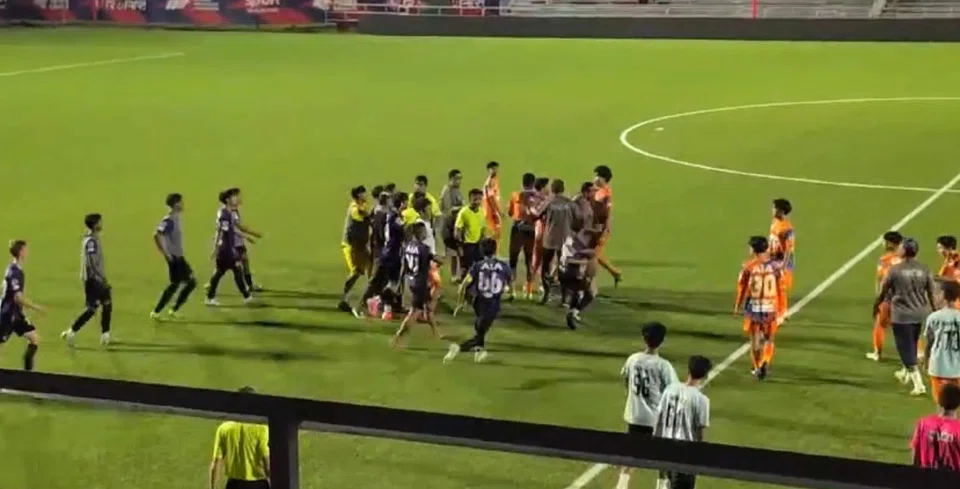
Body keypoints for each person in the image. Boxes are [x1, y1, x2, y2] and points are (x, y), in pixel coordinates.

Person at [616, 322, 679, 489]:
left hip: (635, 415)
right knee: (663, 458)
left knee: (630, 457)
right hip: (656, 419)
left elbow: (626, 381)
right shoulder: (664, 366)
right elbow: (673, 393)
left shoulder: (633, 359)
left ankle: (621, 486)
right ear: (662, 340)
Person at [874, 237, 936, 396]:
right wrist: (935, 311)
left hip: (901, 314)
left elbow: (883, 290)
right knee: (913, 342)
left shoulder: (895, 270)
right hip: (919, 312)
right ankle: (905, 372)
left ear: (904, 251)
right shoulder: (924, 269)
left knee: (904, 348)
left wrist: (877, 305)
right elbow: (931, 292)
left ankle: (918, 384)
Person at [445, 238, 510, 364]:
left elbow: (463, 285)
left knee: (480, 329)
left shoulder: (477, 266)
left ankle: (479, 352)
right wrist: (509, 291)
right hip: (493, 305)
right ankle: (458, 348)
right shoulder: (503, 266)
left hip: (478, 302)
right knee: (480, 332)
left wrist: (460, 303)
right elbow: (508, 282)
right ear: (495, 250)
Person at [654, 355, 712, 489]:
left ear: (688, 371)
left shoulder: (670, 389)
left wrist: (656, 443)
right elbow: (700, 432)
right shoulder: (701, 400)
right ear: (706, 375)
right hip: (685, 455)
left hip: (666, 449)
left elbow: (659, 419)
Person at [735, 236, 786, 381]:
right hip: (771, 307)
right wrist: (782, 309)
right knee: (769, 339)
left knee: (755, 341)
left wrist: (738, 305)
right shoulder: (776, 267)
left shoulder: (748, 267)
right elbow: (781, 288)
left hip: (754, 308)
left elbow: (742, 287)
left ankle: (757, 367)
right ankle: (766, 361)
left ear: (754, 249)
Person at [63, 213, 113, 347]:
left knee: (106, 303)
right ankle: (71, 332)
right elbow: (91, 262)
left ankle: (105, 334)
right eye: (100, 222)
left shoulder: (93, 238)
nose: (102, 224)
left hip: (96, 279)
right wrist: (100, 278)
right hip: (93, 280)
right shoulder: (91, 241)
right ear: (95, 224)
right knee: (92, 308)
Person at [391, 222, 442, 346]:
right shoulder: (424, 248)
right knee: (415, 312)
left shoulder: (407, 246)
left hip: (411, 280)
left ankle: (436, 333)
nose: (425, 234)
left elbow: (404, 265)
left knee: (428, 308)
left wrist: (400, 283)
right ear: (418, 233)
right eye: (424, 232)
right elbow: (436, 260)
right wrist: (440, 261)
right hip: (421, 283)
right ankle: (398, 336)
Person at [210, 387, 271, 489]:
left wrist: (212, 487)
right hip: (258, 485)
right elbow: (267, 465)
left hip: (234, 485)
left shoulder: (224, 428)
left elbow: (215, 464)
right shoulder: (262, 429)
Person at [151, 193, 197, 320]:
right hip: (175, 259)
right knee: (189, 282)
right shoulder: (169, 220)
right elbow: (157, 234)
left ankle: (164, 310)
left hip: (178, 257)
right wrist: (166, 254)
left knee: (178, 284)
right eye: (181, 202)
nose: (183, 204)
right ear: (176, 204)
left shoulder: (176, 218)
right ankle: (164, 310)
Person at [362, 192, 408, 320]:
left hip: (388, 252)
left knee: (390, 283)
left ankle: (387, 311)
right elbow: (404, 231)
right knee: (394, 284)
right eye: (405, 202)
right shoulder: (395, 217)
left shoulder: (391, 215)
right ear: (402, 203)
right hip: (392, 254)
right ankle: (375, 300)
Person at [0, 240, 43, 371]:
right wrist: (36, 308)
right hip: (6, 315)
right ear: (20, 252)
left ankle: (27, 374)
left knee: (34, 338)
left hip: (16, 314)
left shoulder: (16, 269)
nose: (27, 251)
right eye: (25, 249)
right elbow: (17, 298)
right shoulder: (14, 272)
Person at [206, 189, 254, 306]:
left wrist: (246, 237)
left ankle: (210, 296)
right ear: (227, 200)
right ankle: (247, 296)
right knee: (235, 270)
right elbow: (222, 232)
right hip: (226, 249)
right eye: (234, 197)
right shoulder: (225, 214)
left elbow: (232, 230)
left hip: (227, 248)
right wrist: (216, 248)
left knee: (222, 272)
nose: (237, 198)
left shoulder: (227, 212)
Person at [538, 179, 576, 305]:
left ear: (553, 189)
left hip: (550, 238)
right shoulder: (569, 202)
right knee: (563, 268)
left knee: (545, 266)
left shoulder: (549, 201)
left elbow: (537, 214)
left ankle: (546, 294)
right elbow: (578, 217)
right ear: (563, 189)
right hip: (565, 239)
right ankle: (564, 298)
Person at [867, 231, 904, 361]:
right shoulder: (906, 259)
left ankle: (877, 353)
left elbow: (881, 281)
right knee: (906, 327)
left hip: (887, 299)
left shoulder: (884, 260)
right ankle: (918, 352)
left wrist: (878, 300)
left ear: (889, 243)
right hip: (904, 299)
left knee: (880, 325)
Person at [507, 173, 541, 300]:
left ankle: (512, 291)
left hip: (517, 228)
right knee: (529, 260)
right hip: (531, 229)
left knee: (513, 260)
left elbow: (510, 212)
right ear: (533, 183)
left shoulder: (516, 195)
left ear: (522, 183)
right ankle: (529, 292)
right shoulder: (537, 197)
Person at [925, 281, 960, 405]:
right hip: (957, 367)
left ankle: (942, 424)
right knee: (955, 404)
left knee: (940, 402)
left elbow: (929, 341)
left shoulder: (933, 317)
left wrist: (926, 361)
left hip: (938, 365)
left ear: (944, 295)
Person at [338, 185, 371, 316]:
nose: (365, 194)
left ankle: (368, 297)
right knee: (356, 272)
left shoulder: (362, 206)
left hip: (361, 245)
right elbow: (365, 217)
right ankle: (344, 299)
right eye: (363, 193)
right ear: (358, 195)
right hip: (351, 245)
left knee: (370, 267)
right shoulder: (355, 209)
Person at [912, 383, 960, 471]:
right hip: (952, 483)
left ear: (938, 400)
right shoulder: (958, 429)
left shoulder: (923, 424)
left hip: (925, 480)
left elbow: (915, 455)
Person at [560, 231, 599, 330]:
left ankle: (572, 312)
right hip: (574, 274)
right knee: (591, 293)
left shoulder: (568, 242)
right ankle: (574, 312)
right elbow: (570, 259)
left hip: (567, 274)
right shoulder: (574, 243)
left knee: (578, 293)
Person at [229, 188, 264, 292]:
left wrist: (251, 234)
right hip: (233, 244)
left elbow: (239, 227)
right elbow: (236, 228)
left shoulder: (234, 210)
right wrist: (250, 235)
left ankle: (250, 285)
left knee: (244, 263)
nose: (240, 198)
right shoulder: (229, 212)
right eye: (237, 196)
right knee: (232, 267)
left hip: (237, 243)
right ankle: (212, 285)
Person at [593, 165, 622, 287]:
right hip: (595, 226)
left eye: (597, 176)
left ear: (603, 178)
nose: (595, 178)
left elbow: (607, 213)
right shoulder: (599, 191)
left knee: (594, 255)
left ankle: (590, 283)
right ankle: (615, 273)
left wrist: (605, 229)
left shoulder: (606, 194)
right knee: (595, 255)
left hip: (601, 228)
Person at [455, 188, 486, 282]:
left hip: (478, 244)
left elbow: (482, 227)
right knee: (467, 268)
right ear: (470, 199)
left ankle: (476, 287)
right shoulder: (464, 212)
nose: (477, 201)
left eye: (479, 199)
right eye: (475, 199)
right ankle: (465, 290)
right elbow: (458, 229)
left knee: (480, 266)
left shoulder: (481, 211)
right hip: (467, 244)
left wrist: (482, 239)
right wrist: (460, 245)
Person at [439, 169, 465, 279]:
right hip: (449, 225)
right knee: (454, 252)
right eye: (457, 179)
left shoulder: (457, 190)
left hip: (457, 224)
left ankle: (459, 274)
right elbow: (449, 210)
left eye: (460, 178)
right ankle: (454, 275)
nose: (459, 181)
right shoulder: (447, 191)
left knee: (460, 251)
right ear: (451, 179)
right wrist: (462, 207)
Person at [769, 198, 795, 300]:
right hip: (773, 258)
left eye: (775, 208)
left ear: (781, 211)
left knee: (780, 289)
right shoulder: (775, 222)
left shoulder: (787, 228)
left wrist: (783, 267)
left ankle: (782, 312)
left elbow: (789, 249)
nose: (772, 210)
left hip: (782, 261)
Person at [530, 177, 550, 289]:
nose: (549, 188)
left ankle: (541, 283)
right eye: (547, 186)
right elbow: (535, 212)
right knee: (537, 258)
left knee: (544, 259)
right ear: (543, 187)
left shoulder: (545, 197)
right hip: (541, 229)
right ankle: (531, 284)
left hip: (546, 229)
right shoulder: (536, 198)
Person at [483, 161, 502, 252]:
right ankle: (493, 255)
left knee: (496, 235)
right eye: (492, 169)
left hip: (492, 211)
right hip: (491, 212)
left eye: (496, 168)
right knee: (494, 235)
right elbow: (491, 198)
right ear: (488, 170)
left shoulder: (494, 179)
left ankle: (494, 253)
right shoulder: (490, 182)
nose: (495, 170)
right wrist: (498, 211)